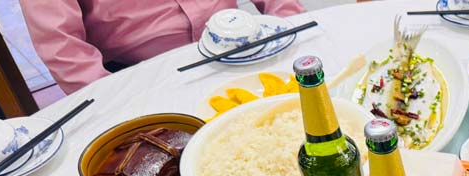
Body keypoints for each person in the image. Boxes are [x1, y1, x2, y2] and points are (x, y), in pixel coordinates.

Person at [20, 0, 305, 94]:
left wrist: (293, 29)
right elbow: (61, 46)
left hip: (241, 49)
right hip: (142, 80)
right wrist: (118, 103)